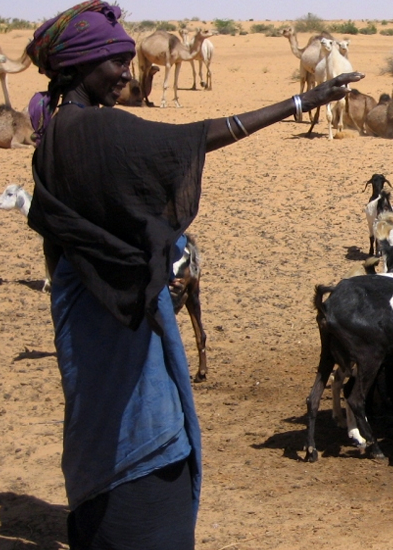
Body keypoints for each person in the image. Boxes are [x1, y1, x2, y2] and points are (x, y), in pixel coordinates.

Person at [23, 2, 363, 548]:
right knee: (146, 468)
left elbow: (89, 236)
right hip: (127, 378)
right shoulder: (94, 130)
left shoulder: (56, 135)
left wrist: (151, 264)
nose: (125, 75)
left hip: (87, 352)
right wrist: (302, 101)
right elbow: (191, 139)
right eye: (114, 62)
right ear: (80, 66)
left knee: (97, 453)